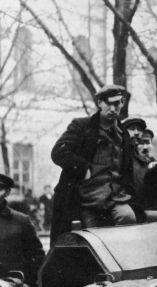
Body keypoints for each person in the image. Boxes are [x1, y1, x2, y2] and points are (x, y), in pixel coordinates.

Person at [50, 84, 138, 238]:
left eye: (116, 104)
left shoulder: (123, 134)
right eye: (108, 103)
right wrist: (83, 168)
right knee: (92, 242)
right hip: (86, 200)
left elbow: (127, 170)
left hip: (115, 199)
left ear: (122, 103)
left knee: (129, 220)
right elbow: (58, 152)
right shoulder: (82, 126)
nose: (112, 108)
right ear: (99, 103)